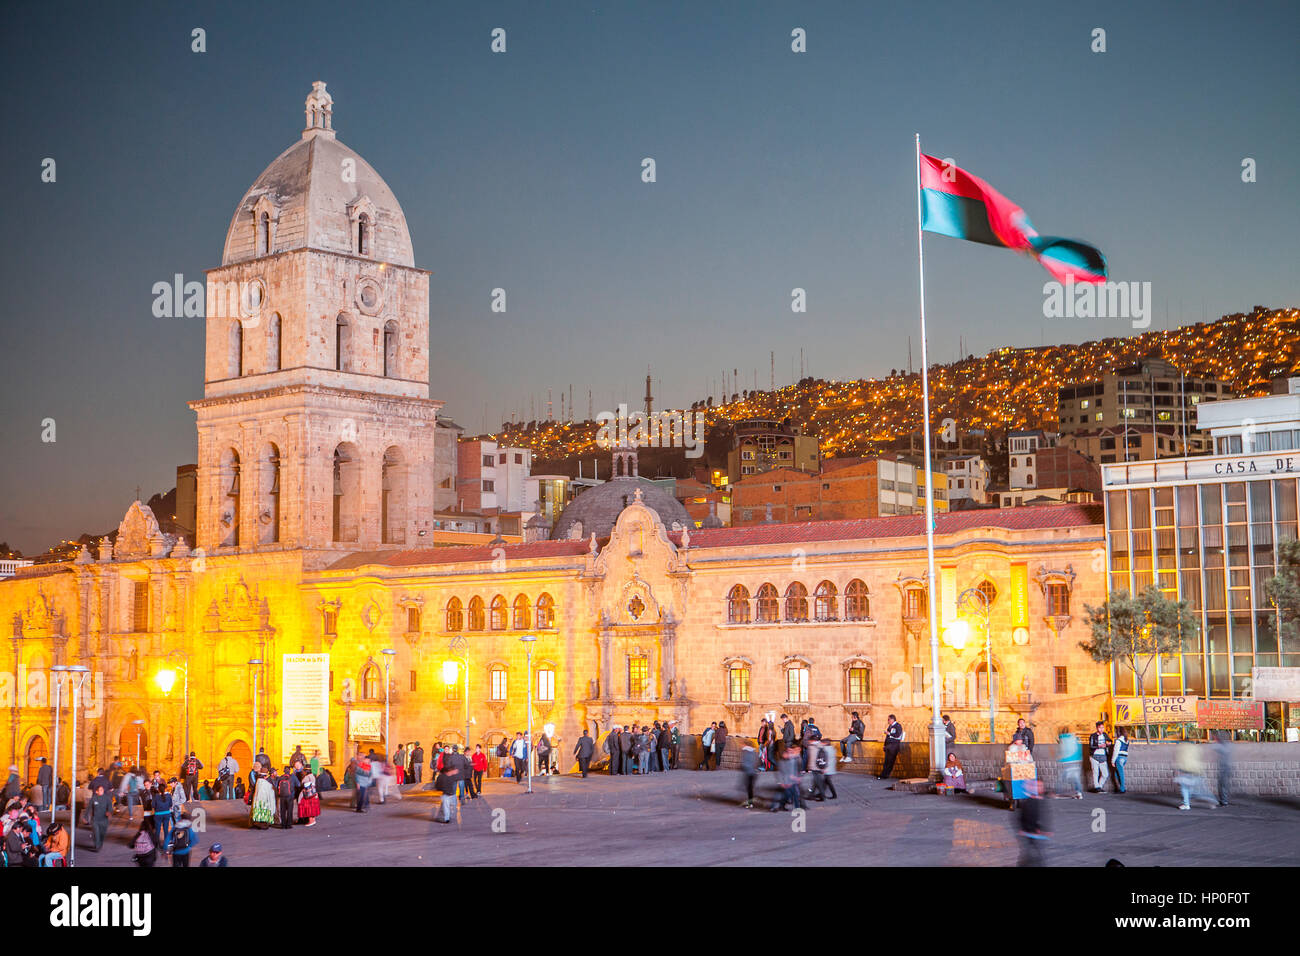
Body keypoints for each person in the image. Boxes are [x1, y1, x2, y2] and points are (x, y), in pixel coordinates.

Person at [1017, 780, 1051, 866]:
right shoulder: (1028, 801)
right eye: (1037, 786)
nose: (1039, 788)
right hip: (1029, 832)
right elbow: (1022, 817)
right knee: (1030, 852)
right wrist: (1024, 829)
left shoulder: (1042, 801)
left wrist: (1046, 829)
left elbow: (1046, 816)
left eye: (1041, 786)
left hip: (1038, 833)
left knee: (1037, 853)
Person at [1174, 741, 1216, 810]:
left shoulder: (1181, 748)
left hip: (1188, 771)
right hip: (1198, 771)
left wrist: (1178, 770)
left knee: (1185, 788)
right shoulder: (1196, 748)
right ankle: (1211, 800)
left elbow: (1181, 760)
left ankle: (1186, 804)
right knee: (1200, 789)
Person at [1056, 727, 1083, 798]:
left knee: (1062, 778)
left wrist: (1060, 760)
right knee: (1076, 778)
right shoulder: (1075, 738)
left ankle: (1058, 793)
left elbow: (1062, 751)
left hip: (1067, 762)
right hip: (1076, 761)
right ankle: (1079, 792)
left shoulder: (1062, 739)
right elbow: (1079, 748)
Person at [433, 755, 459, 823]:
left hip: (450, 793)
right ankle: (447, 818)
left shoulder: (450, 776)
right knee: (446, 805)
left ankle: (447, 815)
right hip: (446, 794)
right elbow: (438, 785)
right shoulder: (443, 777)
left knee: (449, 805)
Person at [878, 714, 904, 780]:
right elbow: (887, 737)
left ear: (892, 719)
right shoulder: (890, 726)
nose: (888, 721)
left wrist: (889, 733)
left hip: (894, 746)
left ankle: (885, 775)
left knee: (890, 761)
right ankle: (883, 774)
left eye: (889, 719)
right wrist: (884, 745)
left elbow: (898, 735)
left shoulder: (898, 726)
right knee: (886, 761)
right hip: (888, 746)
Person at [1088, 721, 1111, 792]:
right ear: (1097, 728)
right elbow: (1091, 746)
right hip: (1094, 756)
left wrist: (1108, 743)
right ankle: (1097, 787)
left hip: (1103, 756)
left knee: (1105, 774)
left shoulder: (1105, 734)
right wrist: (1099, 746)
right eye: (1100, 728)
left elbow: (1109, 741)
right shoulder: (1093, 736)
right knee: (1095, 772)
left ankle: (1100, 786)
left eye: (1102, 727)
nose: (1102, 729)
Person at [89, 783, 112, 852]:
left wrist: (109, 812)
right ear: (96, 791)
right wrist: (85, 817)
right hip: (95, 819)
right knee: (96, 833)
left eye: (102, 790)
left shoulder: (107, 798)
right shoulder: (93, 798)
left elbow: (110, 806)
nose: (102, 791)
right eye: (100, 790)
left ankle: (100, 843)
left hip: (104, 819)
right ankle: (97, 846)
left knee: (102, 833)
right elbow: (89, 808)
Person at [1213, 730, 1232, 807]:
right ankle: (1223, 800)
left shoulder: (1223, 746)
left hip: (1225, 768)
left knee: (1223, 785)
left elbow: (1215, 748)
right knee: (1221, 785)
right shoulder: (1225, 745)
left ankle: (1224, 801)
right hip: (1224, 768)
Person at [739, 743, 759, 808]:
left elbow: (747, 763)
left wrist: (742, 766)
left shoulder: (747, 753)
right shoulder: (753, 752)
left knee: (749, 789)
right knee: (749, 788)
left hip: (750, 772)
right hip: (752, 773)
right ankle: (750, 802)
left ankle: (751, 803)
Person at [1112, 727, 1130, 793]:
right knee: (1117, 773)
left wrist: (1112, 761)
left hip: (1119, 758)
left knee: (1120, 773)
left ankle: (1122, 789)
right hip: (1125, 758)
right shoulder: (1126, 740)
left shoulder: (1118, 741)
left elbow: (1115, 751)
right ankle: (1121, 787)